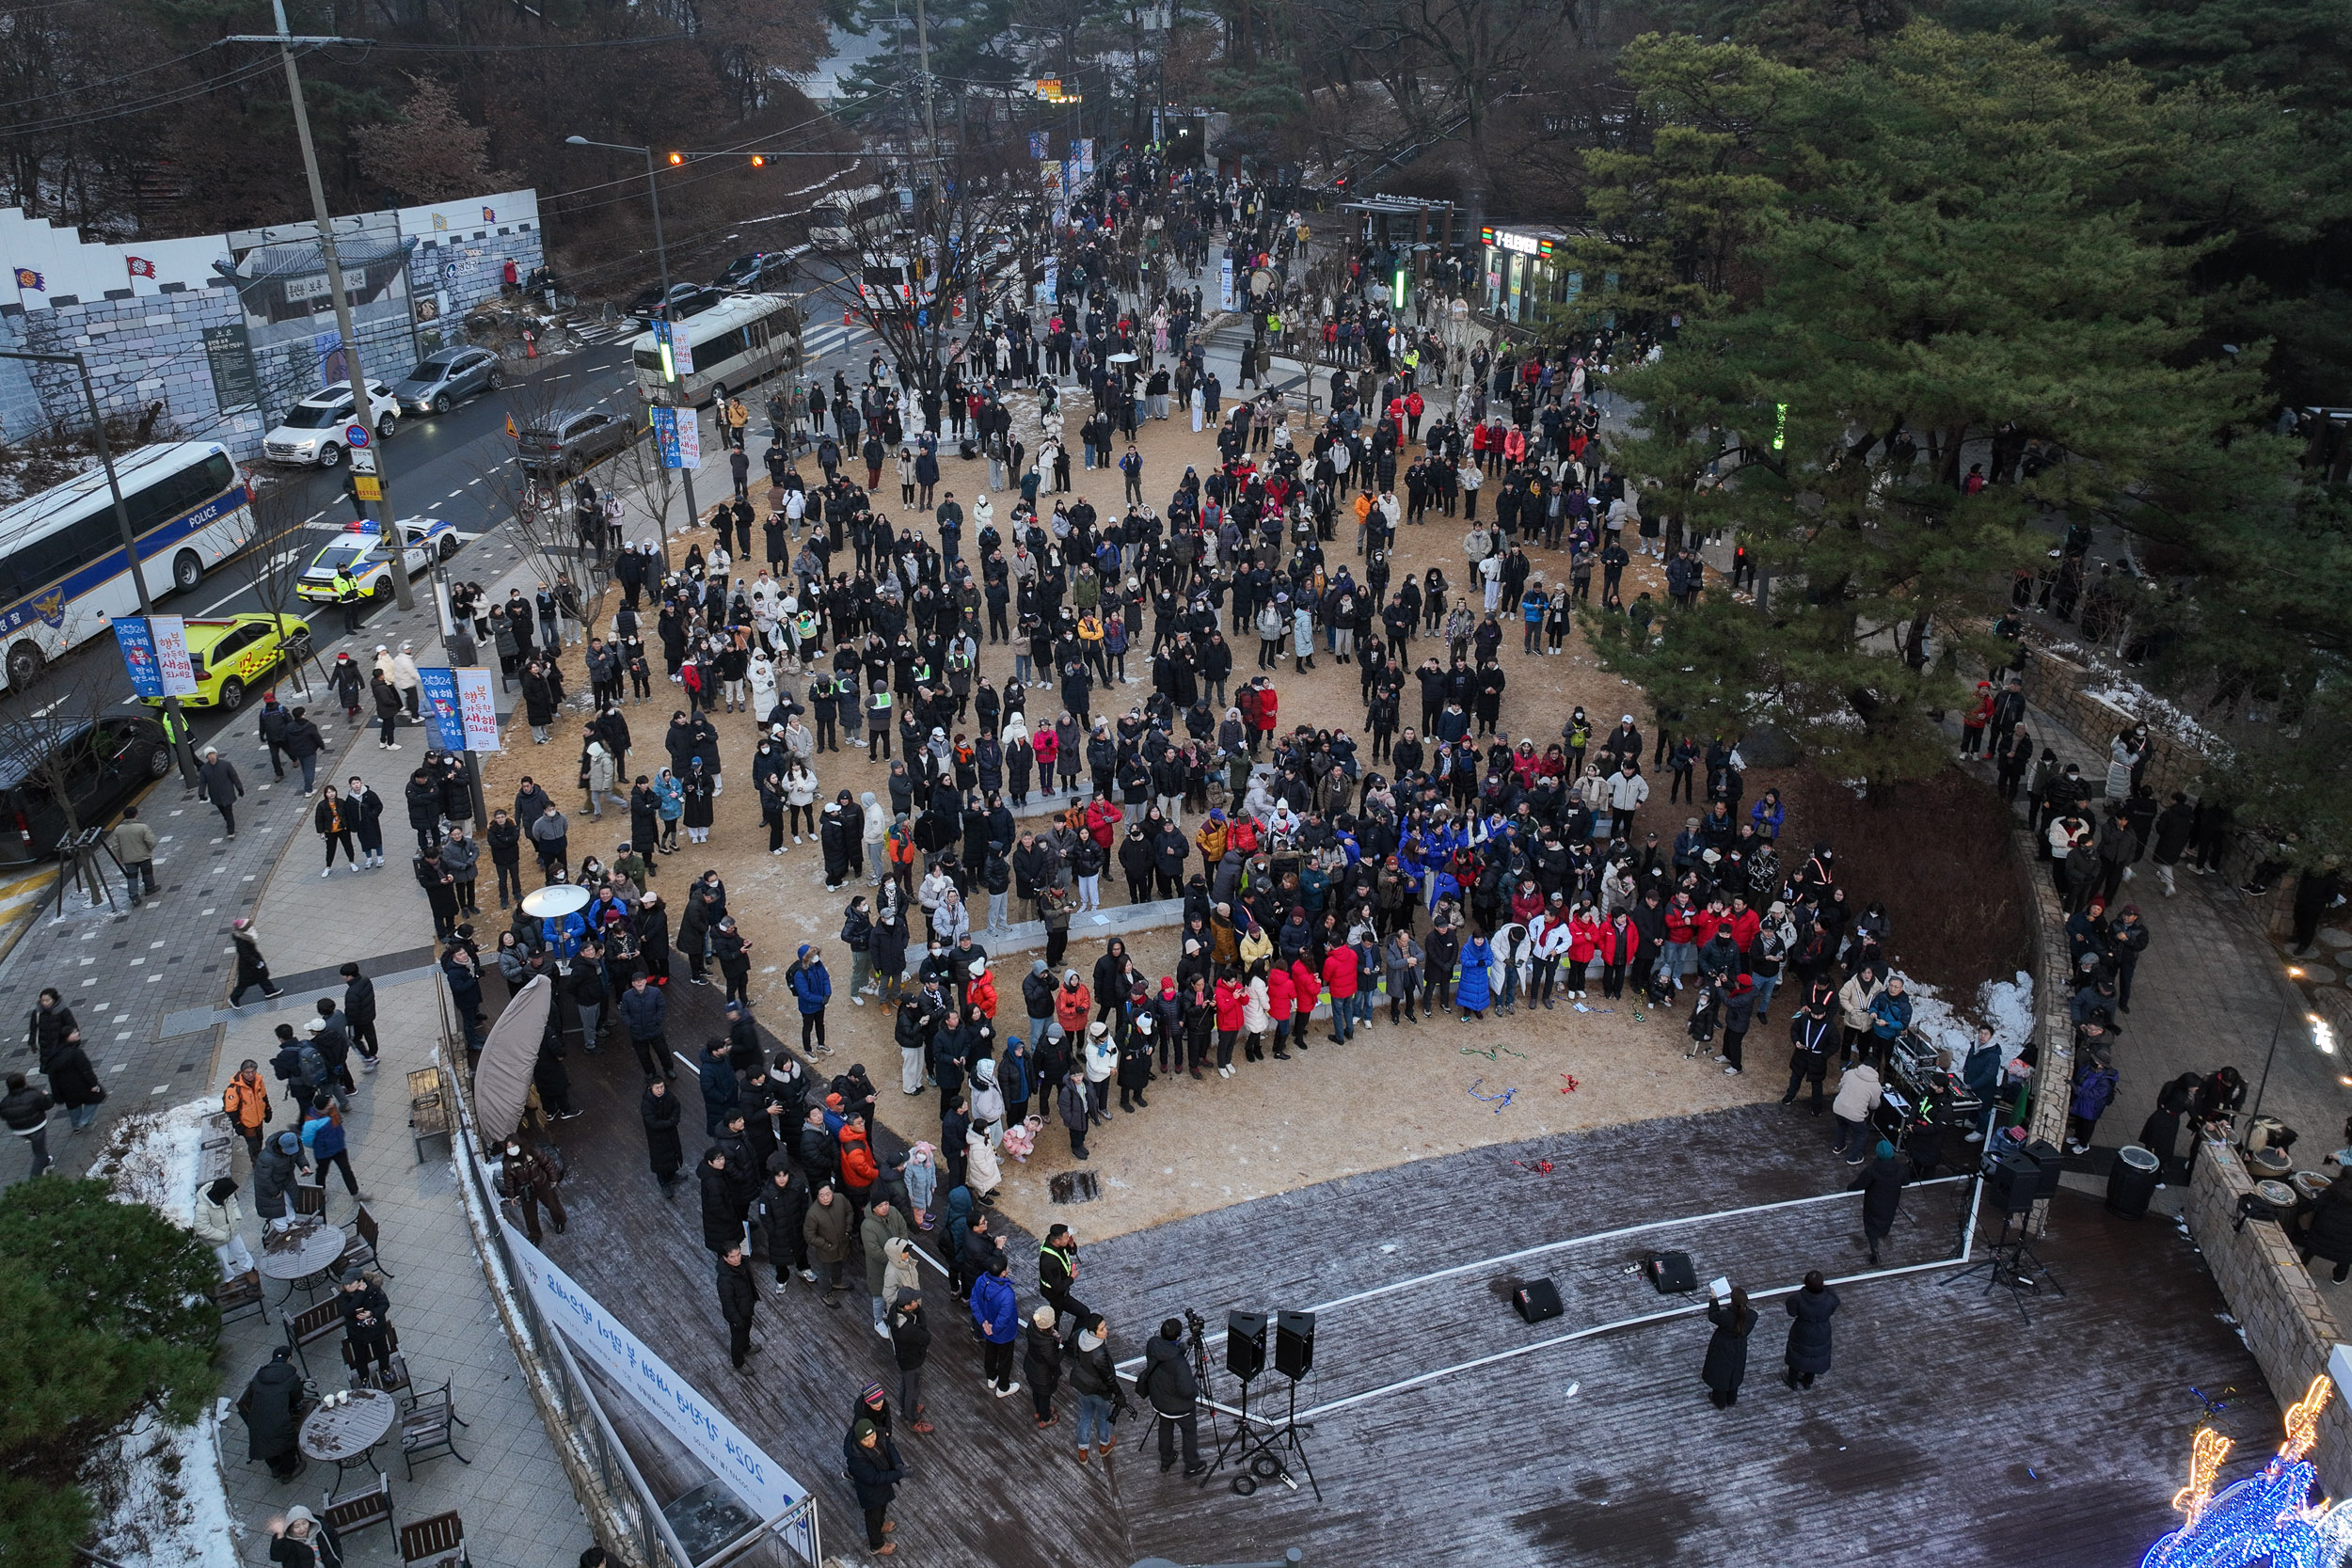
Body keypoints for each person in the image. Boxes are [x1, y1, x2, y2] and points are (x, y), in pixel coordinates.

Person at [1141, 1316, 1205, 1474]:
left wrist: (1183, 1346)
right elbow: (1186, 1390)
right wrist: (1194, 1391)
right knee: (1189, 1431)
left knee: (1165, 1427)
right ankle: (1191, 1464)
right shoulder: (1179, 1364)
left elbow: (1168, 1351)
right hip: (1180, 1408)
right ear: (1178, 1337)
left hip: (1159, 1401)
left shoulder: (1153, 1344)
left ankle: (1166, 1459)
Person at [843, 1418, 908, 1557]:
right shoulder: (857, 1459)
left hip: (882, 1486)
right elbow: (874, 1478)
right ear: (859, 1441)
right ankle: (876, 1545)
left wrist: (899, 1465)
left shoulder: (879, 1436)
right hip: (870, 1493)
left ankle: (880, 1526)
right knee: (873, 1517)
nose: (871, 1441)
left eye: (872, 1436)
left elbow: (890, 1446)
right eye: (866, 1440)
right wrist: (898, 1474)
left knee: (882, 1508)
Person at [240, 1345, 306, 1480]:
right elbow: (297, 1397)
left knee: (264, 1435)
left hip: (256, 1420)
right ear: (289, 1358)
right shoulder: (291, 1377)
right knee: (287, 1440)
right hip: (278, 1421)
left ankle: (275, 1468)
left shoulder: (259, 1377)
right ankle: (288, 1472)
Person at [1067, 1311, 1120, 1464]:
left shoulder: (1079, 1335)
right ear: (1093, 1332)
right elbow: (1109, 1378)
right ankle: (1104, 1445)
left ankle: (1083, 1449)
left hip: (1083, 1385)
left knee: (1086, 1415)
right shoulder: (1100, 1353)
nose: (1106, 1331)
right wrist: (1119, 1393)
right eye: (1102, 1329)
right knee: (1103, 1416)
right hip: (1100, 1391)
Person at [1848, 1140, 1909, 1264]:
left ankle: (1874, 1249)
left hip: (1873, 1203)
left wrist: (1850, 1187)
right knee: (1886, 1220)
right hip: (1891, 1201)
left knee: (1871, 1227)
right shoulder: (1900, 1169)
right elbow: (1906, 1181)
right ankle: (1883, 1232)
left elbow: (1860, 1184)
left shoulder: (1872, 1170)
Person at [972, 1253, 1022, 1397]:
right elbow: (1004, 1318)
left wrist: (984, 1323)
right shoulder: (1007, 1294)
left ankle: (991, 1378)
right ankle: (1003, 1387)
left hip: (987, 1327)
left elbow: (974, 1302)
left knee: (990, 1353)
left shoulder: (981, 1280)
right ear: (1003, 1272)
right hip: (1004, 1333)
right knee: (1005, 1359)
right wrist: (993, 1329)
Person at [1701, 1284, 1756, 1409]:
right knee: (1735, 1371)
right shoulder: (1752, 1316)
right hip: (1740, 1347)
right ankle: (1732, 1399)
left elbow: (1713, 1316)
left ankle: (1719, 1402)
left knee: (1720, 1373)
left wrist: (1714, 1299)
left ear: (1732, 1301)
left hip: (1723, 1346)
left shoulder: (1726, 1316)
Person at [1783, 1270, 1838, 1390]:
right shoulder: (1830, 1299)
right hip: (1822, 1330)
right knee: (1816, 1355)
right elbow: (1835, 1302)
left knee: (1796, 1354)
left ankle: (1792, 1381)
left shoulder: (1798, 1298)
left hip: (1802, 1330)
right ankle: (1808, 1381)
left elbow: (1791, 1312)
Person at [887, 1288, 933, 1433]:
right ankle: (913, 1419)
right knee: (913, 1390)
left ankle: (904, 1408)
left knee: (906, 1385)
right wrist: (919, 1311)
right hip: (912, 1361)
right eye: (914, 1301)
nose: (917, 1302)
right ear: (907, 1307)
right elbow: (926, 1336)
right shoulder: (907, 1330)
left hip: (903, 1358)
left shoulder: (895, 1311)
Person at [339, 1270, 395, 1381]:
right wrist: (360, 1293)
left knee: (382, 1351)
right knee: (360, 1358)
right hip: (357, 1333)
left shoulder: (373, 1290)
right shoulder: (344, 1296)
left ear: (360, 1281)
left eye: (350, 1283)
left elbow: (384, 1304)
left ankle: (385, 1370)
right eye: (345, 1284)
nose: (347, 1286)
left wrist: (371, 1313)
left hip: (376, 1329)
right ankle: (364, 1378)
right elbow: (348, 1311)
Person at [718, 1242, 761, 1370]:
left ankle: (746, 1347)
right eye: (732, 1256)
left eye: (738, 1254)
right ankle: (739, 1363)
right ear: (725, 1258)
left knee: (747, 1330)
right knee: (737, 1339)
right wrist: (736, 1320)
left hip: (746, 1308)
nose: (737, 1259)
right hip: (737, 1315)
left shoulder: (743, 1265)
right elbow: (728, 1303)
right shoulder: (724, 1280)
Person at [2, 1071, 53, 1178]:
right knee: (39, 1153)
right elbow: (48, 1105)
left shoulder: (5, 1102)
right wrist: (47, 1095)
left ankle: (46, 1159)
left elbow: (3, 1116)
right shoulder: (34, 1094)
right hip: (36, 1127)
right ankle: (34, 1180)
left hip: (19, 1130)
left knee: (38, 1146)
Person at [1024, 1302, 1063, 1428]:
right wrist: (1061, 1349)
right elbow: (1054, 1361)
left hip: (1031, 1366)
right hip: (1042, 1375)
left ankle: (1039, 1411)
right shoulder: (1045, 1344)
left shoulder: (1032, 1327)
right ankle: (1045, 1418)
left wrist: (1052, 1334)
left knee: (1036, 1392)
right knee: (1044, 1396)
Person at [641, 1078, 684, 1194]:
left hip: (670, 1133)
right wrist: (671, 1122)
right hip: (657, 1138)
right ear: (651, 1088)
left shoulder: (668, 1096)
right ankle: (663, 1183)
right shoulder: (646, 1104)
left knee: (673, 1154)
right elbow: (652, 1123)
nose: (660, 1090)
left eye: (662, 1087)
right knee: (659, 1160)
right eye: (657, 1088)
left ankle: (672, 1175)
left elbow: (676, 1106)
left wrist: (673, 1118)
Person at [265, 1506, 342, 1568]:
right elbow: (276, 1556)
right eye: (297, 1526)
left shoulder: (321, 1530)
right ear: (290, 1527)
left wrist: (338, 1559)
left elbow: (335, 1540)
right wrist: (279, 1536)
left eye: (304, 1523)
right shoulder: (287, 1542)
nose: (302, 1529)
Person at [199, 745, 245, 837]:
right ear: (207, 757)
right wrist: (201, 794)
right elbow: (202, 783)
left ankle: (231, 831)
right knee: (223, 811)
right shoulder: (204, 769)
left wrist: (239, 788)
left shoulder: (226, 765)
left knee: (228, 811)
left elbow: (234, 777)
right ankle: (228, 822)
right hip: (215, 795)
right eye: (209, 755)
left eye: (213, 754)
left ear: (216, 754)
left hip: (227, 792)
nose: (211, 756)